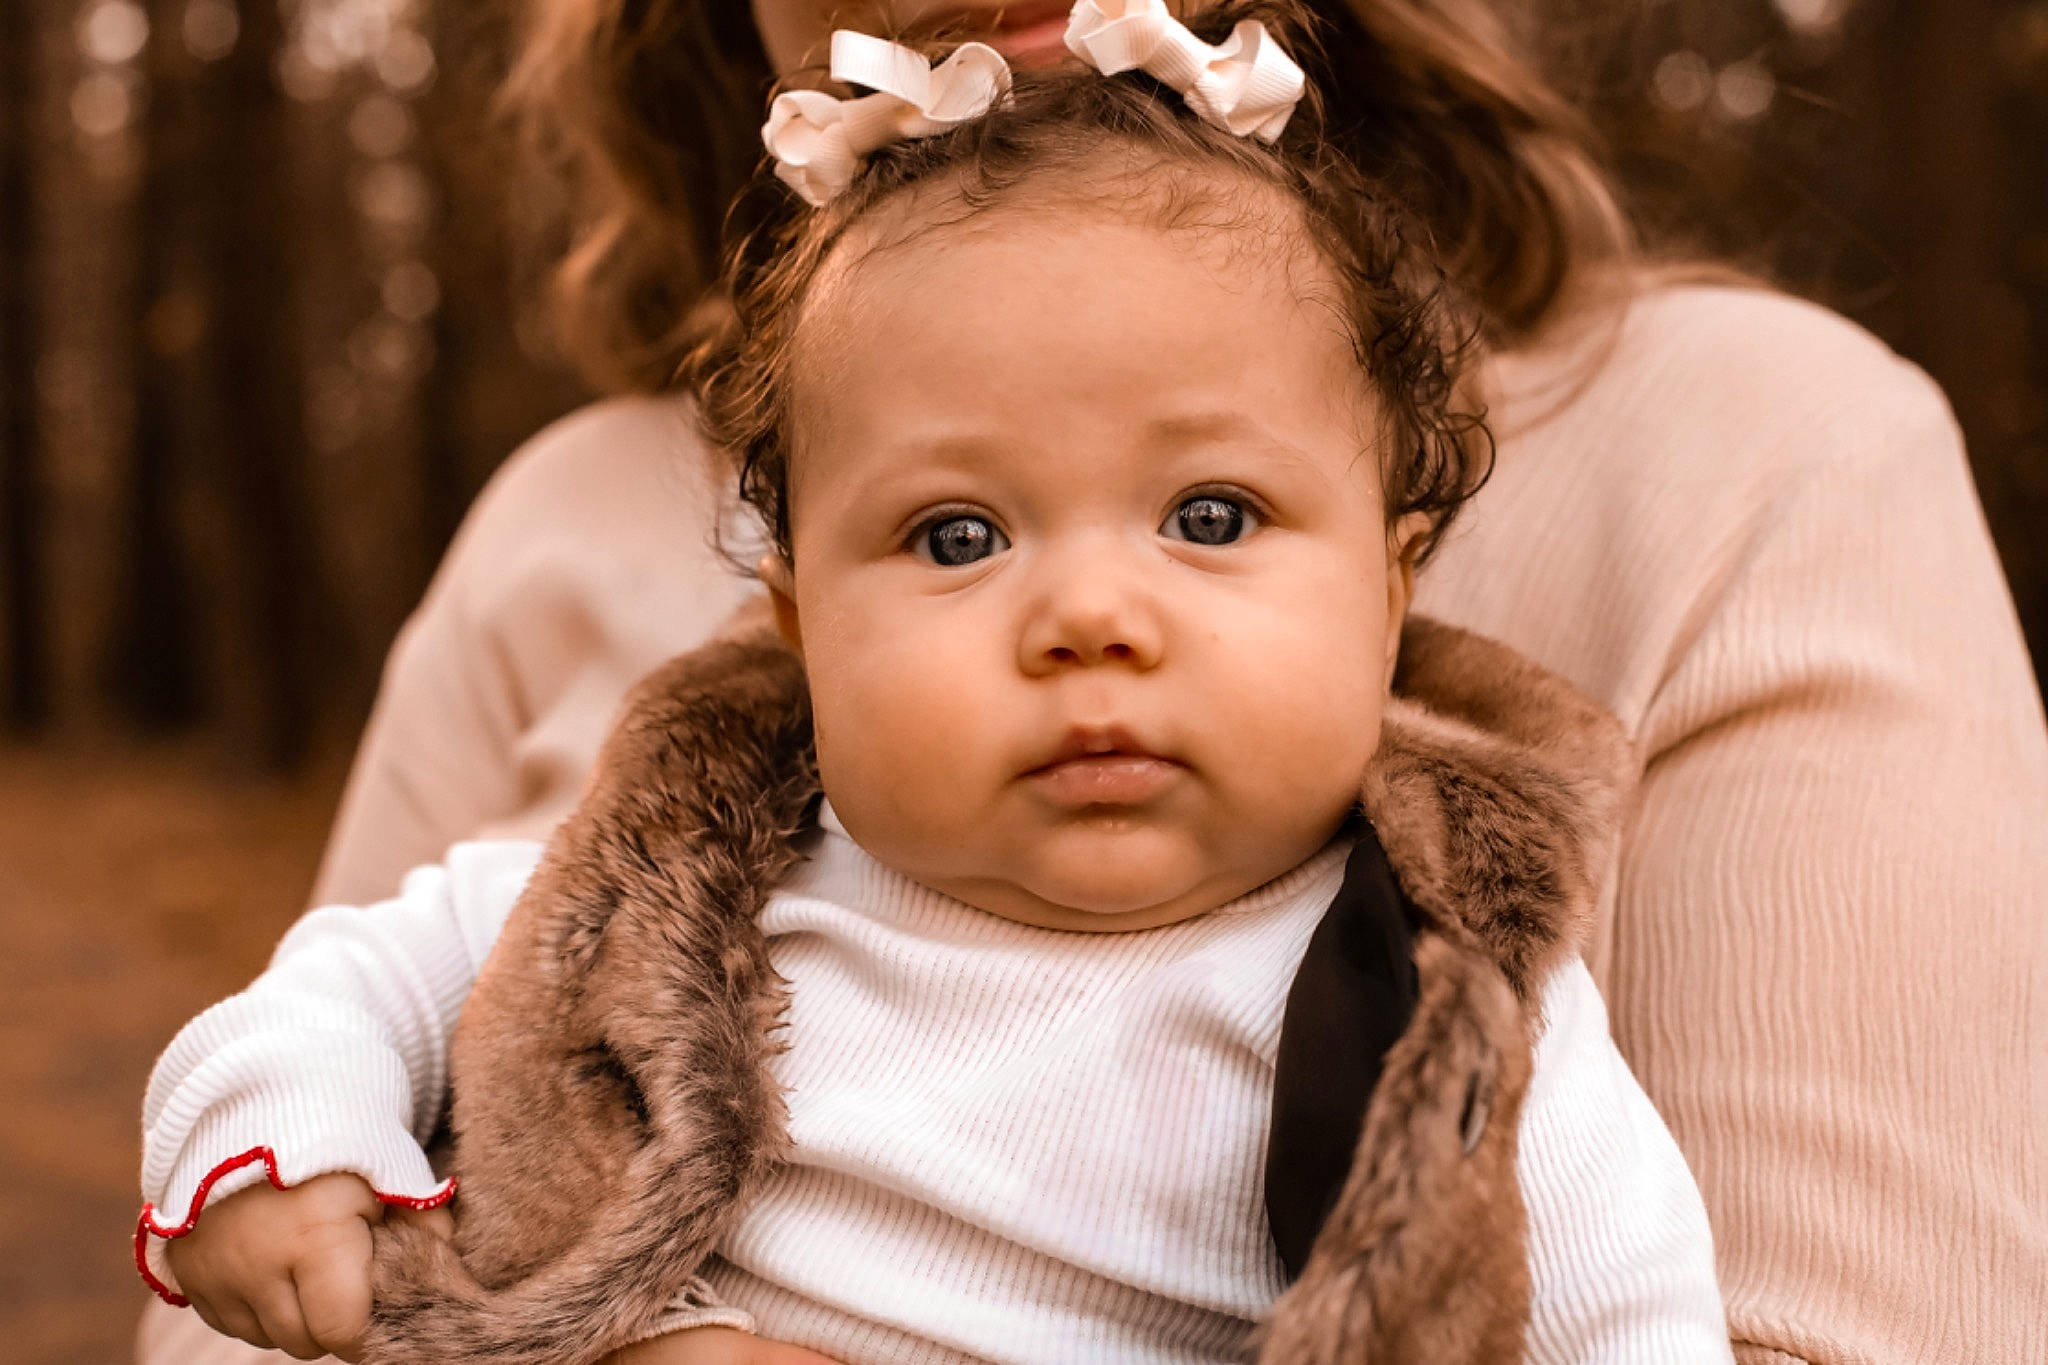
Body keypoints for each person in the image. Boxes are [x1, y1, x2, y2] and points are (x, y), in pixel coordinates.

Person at [133, 0, 2048, 1361]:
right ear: (785, 623)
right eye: (956, 538)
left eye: (1213, 513)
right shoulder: (702, 845)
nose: (1091, 615)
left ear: (1401, 578)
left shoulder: (1447, 1025)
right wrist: (283, 1146)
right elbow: (355, 1010)